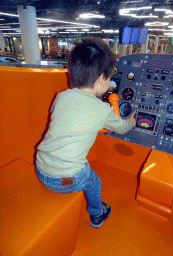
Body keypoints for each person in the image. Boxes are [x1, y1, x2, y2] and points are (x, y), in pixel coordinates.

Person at [36, 38, 136, 228]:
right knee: (94, 182)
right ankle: (97, 215)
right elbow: (121, 128)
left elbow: (64, 120)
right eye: (109, 78)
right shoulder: (102, 109)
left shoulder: (61, 96)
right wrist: (131, 121)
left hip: (41, 169)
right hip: (66, 180)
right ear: (101, 79)